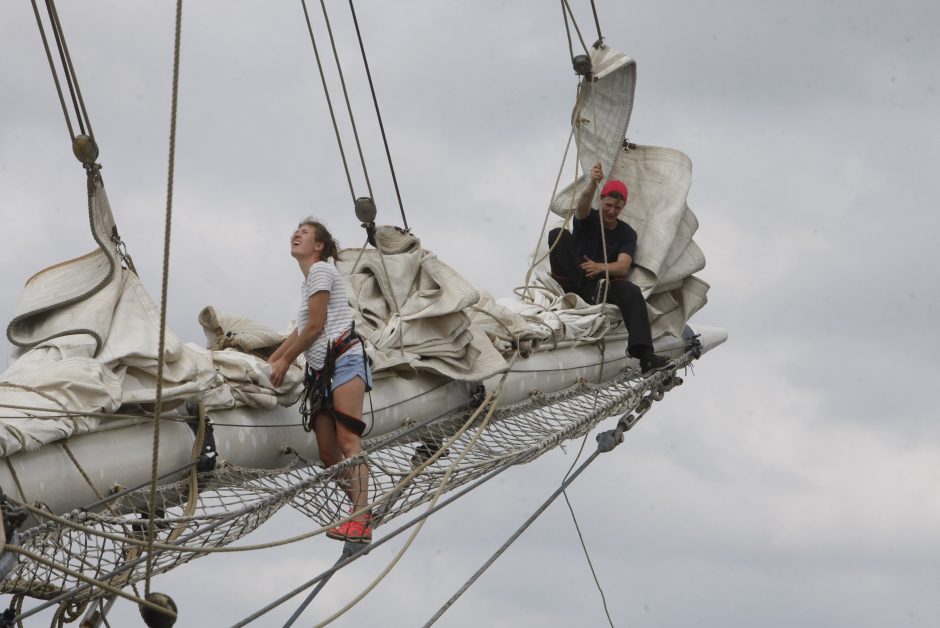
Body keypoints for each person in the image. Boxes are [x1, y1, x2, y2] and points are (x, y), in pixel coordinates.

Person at [268, 218, 374, 543]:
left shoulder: (321, 271)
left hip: (343, 361)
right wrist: (273, 359)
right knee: (328, 453)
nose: (296, 233)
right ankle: (361, 507)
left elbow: (316, 327)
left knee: (347, 442)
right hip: (321, 372)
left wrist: (285, 361)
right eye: (295, 229)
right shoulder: (310, 281)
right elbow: (302, 330)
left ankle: (360, 516)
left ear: (319, 246)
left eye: (305, 232)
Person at [547, 162, 673, 377]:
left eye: (617, 207)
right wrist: (593, 183)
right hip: (574, 277)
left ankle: (645, 357)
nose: (612, 211)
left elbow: (623, 266)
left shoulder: (626, 233)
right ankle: (582, 285)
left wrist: (599, 267)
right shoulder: (588, 219)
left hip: (600, 286)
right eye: (608, 205)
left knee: (632, 292)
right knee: (557, 234)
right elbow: (581, 206)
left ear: (623, 207)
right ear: (601, 201)